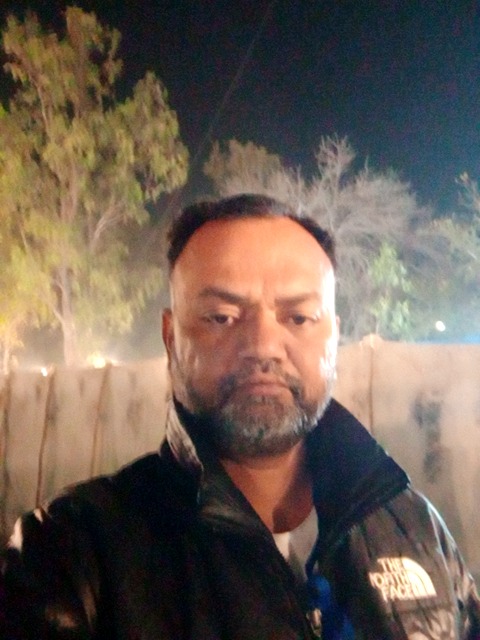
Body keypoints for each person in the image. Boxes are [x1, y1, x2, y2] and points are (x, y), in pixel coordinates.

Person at [1, 193, 479, 639]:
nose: (263, 346)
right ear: (171, 337)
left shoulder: (417, 528)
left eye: (298, 317)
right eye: (221, 317)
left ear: (333, 337)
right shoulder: (72, 554)